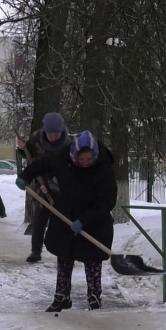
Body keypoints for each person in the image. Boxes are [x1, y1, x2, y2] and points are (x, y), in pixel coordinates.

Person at [16, 131, 117, 312]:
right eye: (81, 159)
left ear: (95, 155)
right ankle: (62, 297)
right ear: (74, 155)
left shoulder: (104, 168)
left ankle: (94, 298)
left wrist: (84, 221)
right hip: (66, 214)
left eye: (89, 159)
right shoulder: (63, 156)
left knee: (92, 260)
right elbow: (42, 164)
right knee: (64, 256)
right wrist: (25, 176)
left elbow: (107, 201)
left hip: (94, 220)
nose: (85, 163)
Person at [16, 113, 74, 262]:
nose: (53, 137)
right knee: (40, 219)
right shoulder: (37, 138)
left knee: (63, 220)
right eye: (50, 134)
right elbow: (28, 154)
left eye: (56, 134)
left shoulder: (68, 144)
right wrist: (22, 148)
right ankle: (36, 251)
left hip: (61, 187)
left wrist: (51, 185)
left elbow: (64, 170)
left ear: (61, 131)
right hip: (39, 182)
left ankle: (65, 252)